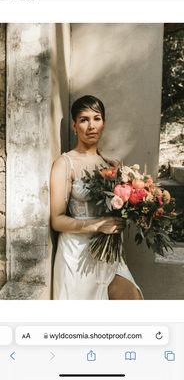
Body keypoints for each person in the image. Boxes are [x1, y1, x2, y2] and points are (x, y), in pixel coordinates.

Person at [50, 95, 143, 300]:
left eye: (97, 118)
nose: (91, 125)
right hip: (77, 254)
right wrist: (98, 225)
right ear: (74, 126)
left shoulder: (112, 165)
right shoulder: (65, 164)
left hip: (108, 253)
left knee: (132, 301)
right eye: (84, 120)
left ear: (104, 123)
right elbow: (56, 220)